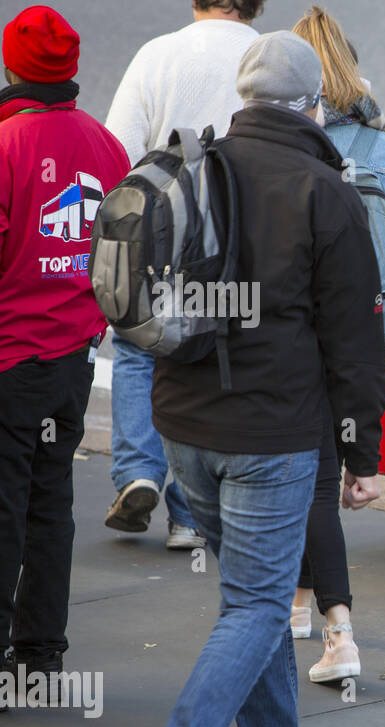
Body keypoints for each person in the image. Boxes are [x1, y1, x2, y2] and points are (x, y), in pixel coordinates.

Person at [122, 31, 385, 727]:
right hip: (272, 431)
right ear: (313, 104)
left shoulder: (197, 166)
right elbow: (355, 341)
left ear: (244, 97)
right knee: (260, 604)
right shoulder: (325, 191)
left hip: (183, 423)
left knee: (253, 593)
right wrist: (359, 451)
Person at [0, 5, 129, 710]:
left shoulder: (6, 144)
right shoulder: (105, 146)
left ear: (13, 66)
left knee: (3, 507)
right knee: (51, 504)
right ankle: (40, 655)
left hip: (10, 356)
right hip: (72, 357)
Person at [103, 0, 264, 551]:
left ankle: (137, 472)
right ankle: (189, 516)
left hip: (158, 233)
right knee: (209, 350)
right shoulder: (263, 56)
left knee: (138, 344)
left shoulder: (157, 54)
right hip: (233, 240)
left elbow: (118, 149)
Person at [289, 5, 385, 683]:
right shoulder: (377, 144)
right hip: (374, 325)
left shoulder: (295, 149)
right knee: (328, 471)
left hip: (310, 336)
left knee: (312, 486)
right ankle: (301, 602)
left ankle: (339, 633)